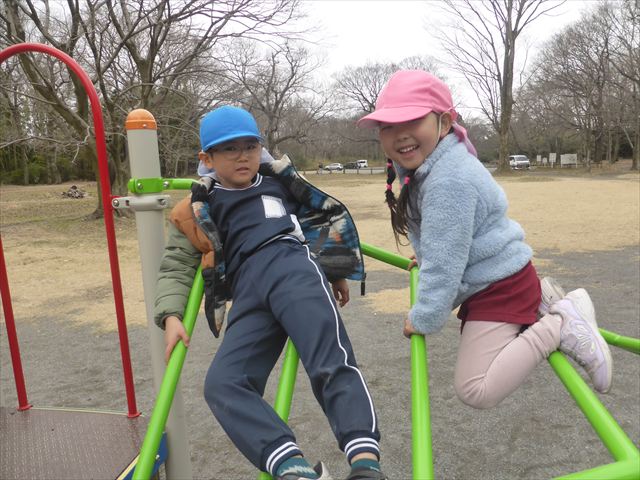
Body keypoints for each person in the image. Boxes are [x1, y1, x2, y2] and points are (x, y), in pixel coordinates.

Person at [154, 105, 386, 480]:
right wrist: (171, 316)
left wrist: (335, 270)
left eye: (250, 146)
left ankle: (364, 461)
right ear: (207, 158)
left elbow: (315, 222)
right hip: (248, 291)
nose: (242, 156)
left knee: (329, 358)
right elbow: (177, 264)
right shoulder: (197, 206)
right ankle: (291, 465)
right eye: (229, 149)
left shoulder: (279, 182)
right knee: (223, 383)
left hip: (293, 268)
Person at [357, 70, 613, 409]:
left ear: (444, 123)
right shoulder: (437, 165)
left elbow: (445, 265)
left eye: (413, 120)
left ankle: (560, 323)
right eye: (388, 126)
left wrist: (423, 317)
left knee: (475, 389)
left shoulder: (448, 180)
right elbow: (448, 242)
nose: (400, 134)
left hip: (499, 285)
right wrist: (431, 255)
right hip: (496, 276)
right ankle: (543, 299)